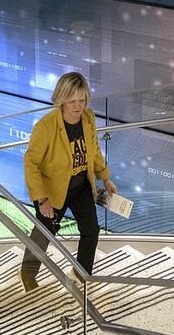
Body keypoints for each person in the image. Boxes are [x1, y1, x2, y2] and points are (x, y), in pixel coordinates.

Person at [24, 70, 116, 288]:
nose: (77, 106)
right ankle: (27, 272)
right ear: (61, 100)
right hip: (53, 190)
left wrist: (104, 177)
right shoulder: (46, 126)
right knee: (44, 233)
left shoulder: (88, 118)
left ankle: (81, 274)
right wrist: (41, 199)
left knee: (91, 230)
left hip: (81, 186)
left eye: (81, 100)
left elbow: (93, 151)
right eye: (72, 101)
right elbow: (30, 163)